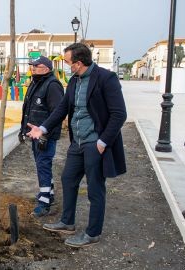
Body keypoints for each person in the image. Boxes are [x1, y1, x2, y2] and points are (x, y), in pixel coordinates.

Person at [26, 43, 127, 247]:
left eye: (67, 62)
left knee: (95, 189)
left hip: (94, 143)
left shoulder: (106, 79)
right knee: (68, 179)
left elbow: (119, 114)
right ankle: (67, 222)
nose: (65, 66)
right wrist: (43, 128)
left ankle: (92, 233)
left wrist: (102, 142)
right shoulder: (74, 81)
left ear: (78, 63)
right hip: (77, 143)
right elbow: (62, 109)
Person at [19, 56, 64, 217]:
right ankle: (49, 195)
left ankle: (44, 203)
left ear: (46, 68)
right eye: (31, 66)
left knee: (43, 166)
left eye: (35, 66)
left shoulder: (52, 85)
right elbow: (28, 109)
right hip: (35, 134)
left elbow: (57, 113)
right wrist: (23, 130)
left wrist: (45, 133)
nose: (32, 68)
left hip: (45, 136)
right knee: (42, 166)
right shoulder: (36, 82)